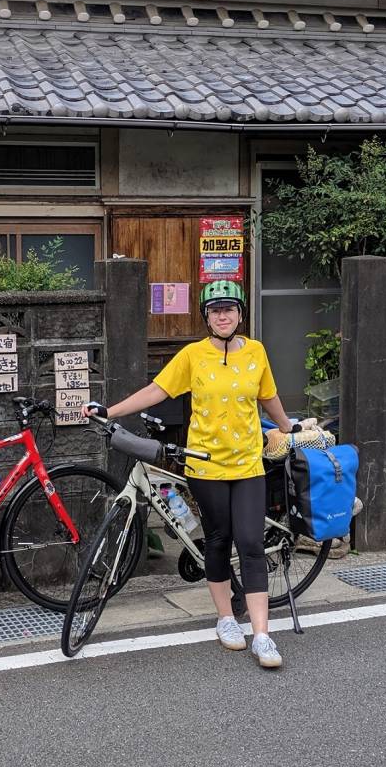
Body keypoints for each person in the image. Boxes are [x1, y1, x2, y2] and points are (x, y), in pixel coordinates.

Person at [83, 279, 294, 669]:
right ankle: (226, 619)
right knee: (218, 540)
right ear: (206, 318)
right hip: (205, 464)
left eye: (229, 309)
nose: (223, 315)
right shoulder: (193, 356)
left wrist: (287, 427)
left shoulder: (257, 353)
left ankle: (263, 636)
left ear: (241, 313)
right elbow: (157, 391)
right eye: (216, 311)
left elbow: (268, 396)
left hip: (248, 463)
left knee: (249, 542)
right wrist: (109, 411)